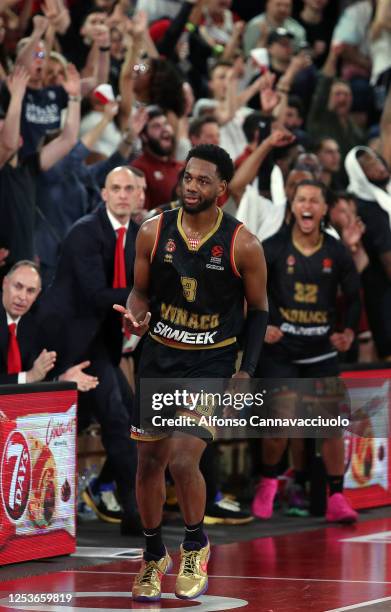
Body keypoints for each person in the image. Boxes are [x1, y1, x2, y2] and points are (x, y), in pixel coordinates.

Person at [114, 144, 268, 602]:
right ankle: (151, 555)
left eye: (203, 180)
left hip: (212, 361)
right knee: (148, 465)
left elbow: (259, 309)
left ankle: (196, 544)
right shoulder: (152, 232)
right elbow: (140, 293)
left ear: (223, 188)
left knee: (183, 458)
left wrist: (248, 369)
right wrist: (135, 317)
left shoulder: (243, 243)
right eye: (188, 178)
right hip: (160, 355)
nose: (192, 187)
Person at [37, 166, 141, 535]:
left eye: (130, 188)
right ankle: (134, 510)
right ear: (104, 194)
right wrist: (148, 298)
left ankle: (112, 493)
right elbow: (98, 295)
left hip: (100, 338)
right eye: (116, 188)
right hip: (68, 339)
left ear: (139, 195)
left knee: (129, 412)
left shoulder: (139, 235)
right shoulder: (84, 232)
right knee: (114, 413)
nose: (124, 194)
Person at [253, 179, 361, 523]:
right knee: (277, 427)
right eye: (302, 199)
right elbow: (249, 294)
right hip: (280, 351)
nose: (308, 205)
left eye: (315, 200)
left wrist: (347, 332)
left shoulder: (336, 250)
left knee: (330, 426)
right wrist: (262, 325)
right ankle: (269, 481)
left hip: (320, 352)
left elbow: (355, 297)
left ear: (324, 209)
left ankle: (337, 497)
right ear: (293, 206)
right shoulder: (272, 248)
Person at [0, 260, 98, 391]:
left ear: (37, 294)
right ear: (4, 283)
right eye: (18, 287)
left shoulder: (31, 325)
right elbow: (30, 376)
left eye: (30, 291)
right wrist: (28, 377)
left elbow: (34, 378)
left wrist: (61, 380)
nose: (23, 296)